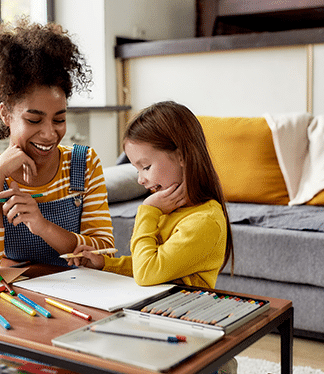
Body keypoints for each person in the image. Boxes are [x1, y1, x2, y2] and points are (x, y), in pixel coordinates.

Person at [0, 19, 114, 282]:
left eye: (59, 119)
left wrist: (43, 226)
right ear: (6, 113)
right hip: (15, 303)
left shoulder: (83, 164)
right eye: (34, 120)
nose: (50, 134)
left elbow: (102, 251)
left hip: (80, 299)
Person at [68, 101, 234, 289]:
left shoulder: (204, 221)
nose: (140, 180)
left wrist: (148, 211)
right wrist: (105, 264)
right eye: (137, 169)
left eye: (146, 167)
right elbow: (150, 262)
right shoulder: (169, 209)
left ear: (181, 156)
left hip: (182, 313)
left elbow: (147, 272)